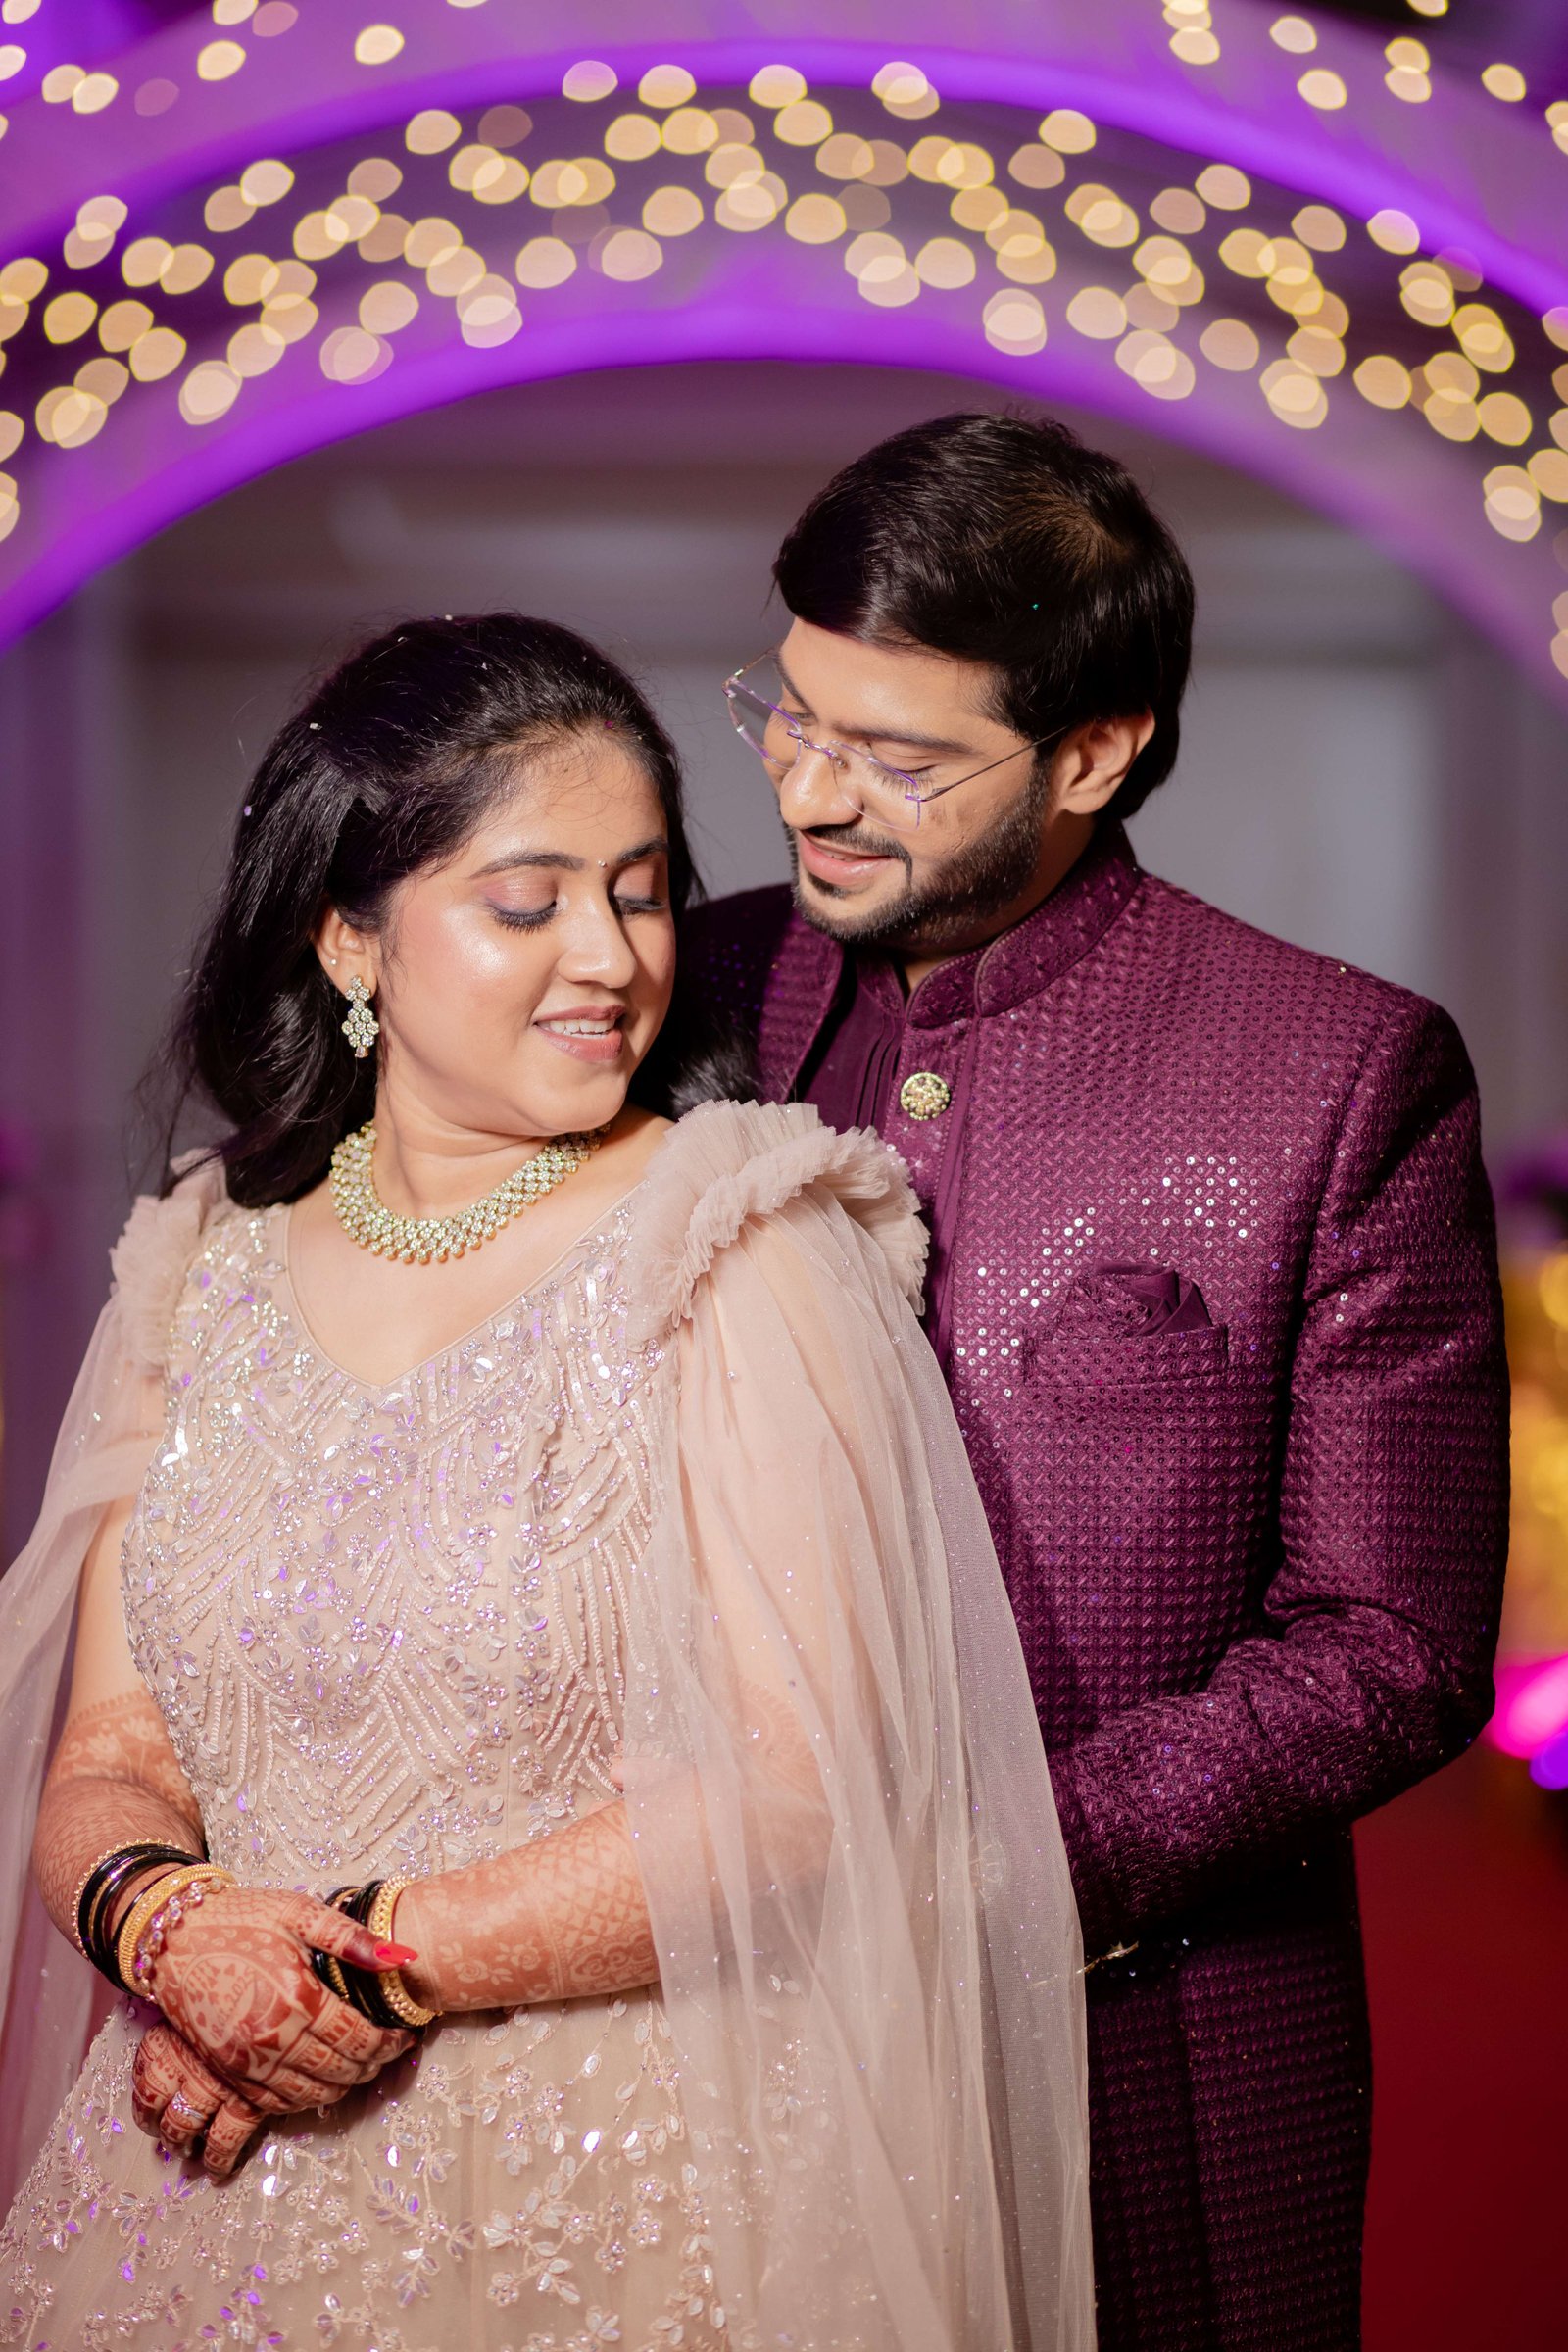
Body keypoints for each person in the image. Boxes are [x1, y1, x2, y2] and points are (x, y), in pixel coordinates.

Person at [0, 615, 1095, 2349]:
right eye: (529, 904)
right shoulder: (200, 1261)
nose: (610, 957)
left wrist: (350, 1966)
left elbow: (799, 1789)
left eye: (642, 896)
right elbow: (111, 1754)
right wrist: (169, 1937)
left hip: (611, 2178)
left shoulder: (734, 1238)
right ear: (348, 932)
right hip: (202, 2168)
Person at [683, 411, 1511, 2352]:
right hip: (689, 2024)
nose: (810, 791)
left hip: (1145, 2033)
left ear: (1093, 750)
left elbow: (1390, 1643)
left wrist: (974, 1880)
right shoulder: (677, 998)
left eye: (899, 757)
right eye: (789, 713)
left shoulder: (1334, 1071)